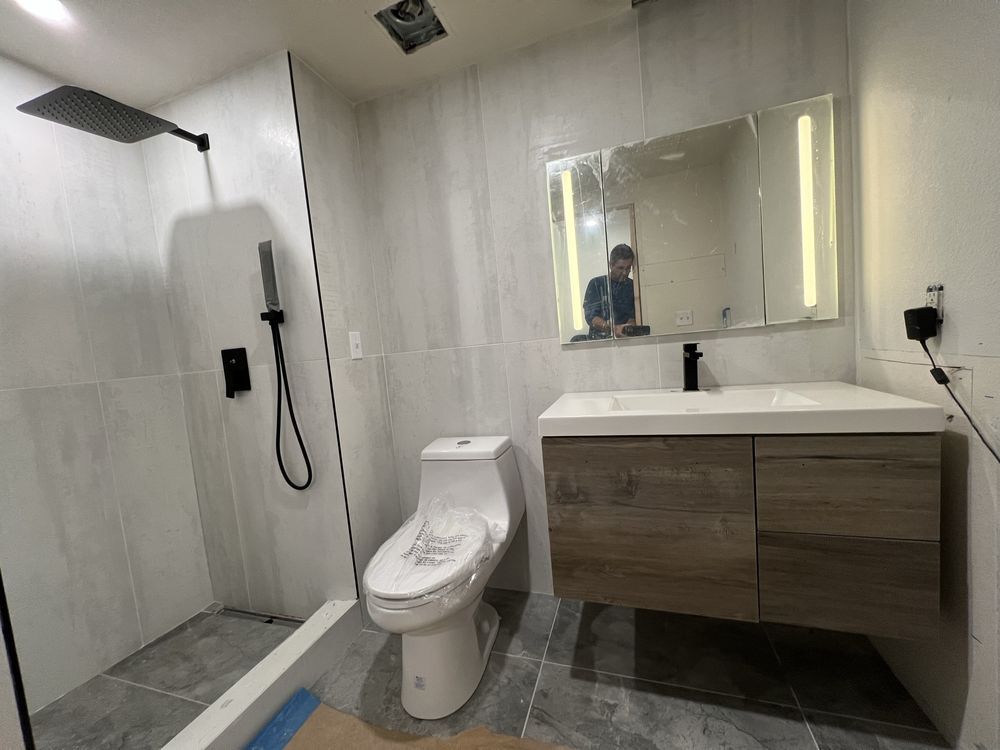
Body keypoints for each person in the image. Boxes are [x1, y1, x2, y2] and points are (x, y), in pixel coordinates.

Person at [583, 243, 636, 337]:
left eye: (628, 268)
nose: (625, 272)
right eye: (620, 268)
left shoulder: (632, 286)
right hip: (600, 343)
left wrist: (627, 328)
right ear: (610, 265)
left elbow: (634, 316)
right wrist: (614, 329)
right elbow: (591, 317)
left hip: (626, 341)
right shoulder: (596, 284)